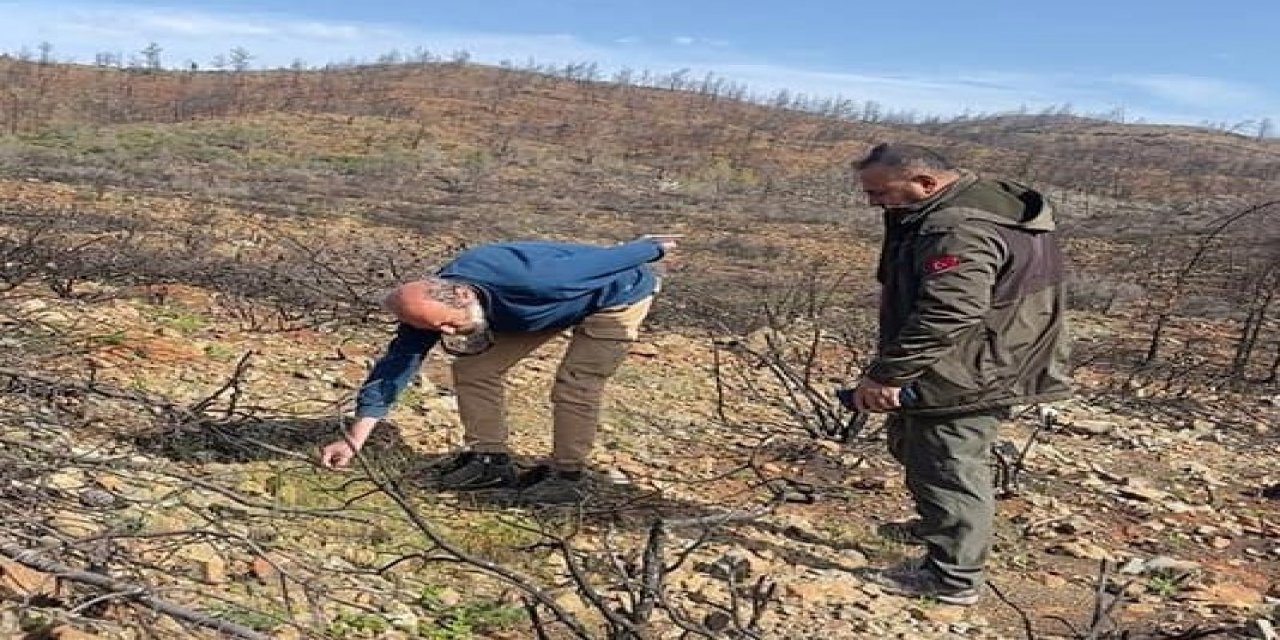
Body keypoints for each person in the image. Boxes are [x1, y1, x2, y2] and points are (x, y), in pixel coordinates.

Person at [849, 143, 1071, 605]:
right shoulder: (978, 203)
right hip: (983, 357)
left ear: (926, 183)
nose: (872, 203)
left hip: (965, 369)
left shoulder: (958, 228)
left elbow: (949, 311)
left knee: (946, 464)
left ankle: (952, 578)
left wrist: (888, 374)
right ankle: (944, 526)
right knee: (916, 447)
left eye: (880, 192)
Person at [319, 236, 678, 504]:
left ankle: (566, 475)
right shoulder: (431, 306)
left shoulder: (537, 279)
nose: (445, 333)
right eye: (437, 328)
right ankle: (490, 461)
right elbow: (395, 367)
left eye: (446, 324)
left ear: (461, 296)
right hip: (535, 309)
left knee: (575, 383)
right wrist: (355, 438)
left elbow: (608, 259)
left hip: (616, 295)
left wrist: (654, 248)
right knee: (474, 368)